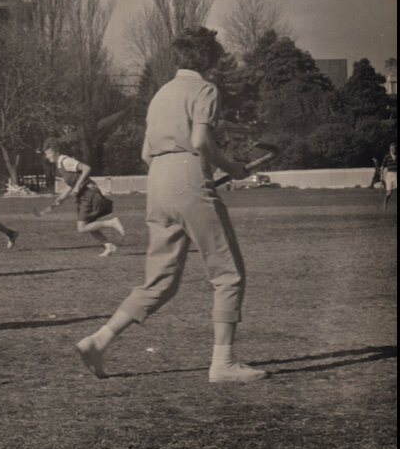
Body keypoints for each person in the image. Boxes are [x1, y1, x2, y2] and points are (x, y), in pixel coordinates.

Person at [75, 27, 268, 384]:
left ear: (179, 57)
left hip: (158, 181)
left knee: (160, 281)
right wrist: (232, 168)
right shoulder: (206, 89)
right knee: (228, 274)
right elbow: (200, 141)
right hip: (187, 174)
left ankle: (99, 341)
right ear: (209, 58)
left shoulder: (160, 94)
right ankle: (223, 364)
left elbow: (146, 153)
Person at [42, 138, 124, 257]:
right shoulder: (60, 166)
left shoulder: (66, 161)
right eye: (46, 153)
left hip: (90, 194)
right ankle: (109, 246)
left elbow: (86, 168)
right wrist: (61, 199)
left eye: (48, 153)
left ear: (56, 150)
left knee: (82, 227)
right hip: (84, 196)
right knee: (89, 225)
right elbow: (71, 185)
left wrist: (78, 186)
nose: (47, 156)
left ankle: (111, 223)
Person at [381, 143, 397, 210]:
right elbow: (382, 167)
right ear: (389, 149)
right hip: (389, 175)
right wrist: (381, 176)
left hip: (396, 174)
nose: (393, 150)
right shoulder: (387, 156)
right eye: (391, 148)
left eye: (394, 148)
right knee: (389, 193)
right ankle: (385, 202)